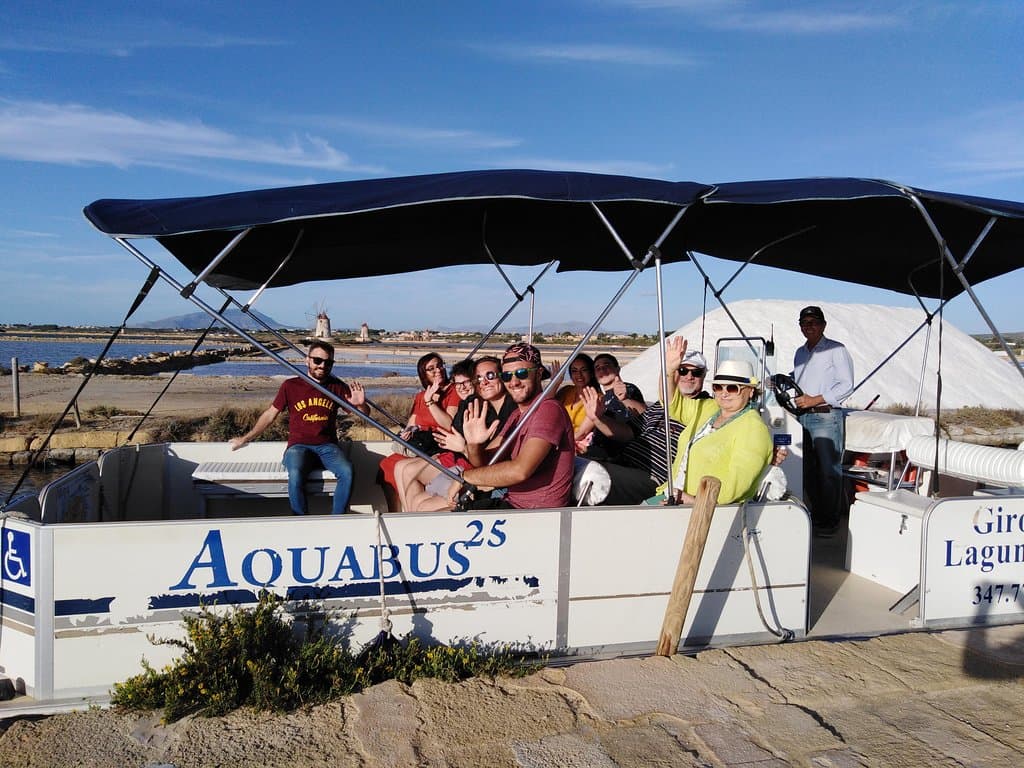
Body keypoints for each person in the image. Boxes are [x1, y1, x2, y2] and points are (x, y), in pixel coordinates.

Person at [229, 340, 368, 515]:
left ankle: (337, 520)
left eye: (328, 362)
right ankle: (300, 520)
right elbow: (270, 414)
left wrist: (361, 405)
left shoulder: (337, 387)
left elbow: (363, 413)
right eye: (317, 360)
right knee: (295, 473)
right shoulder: (290, 386)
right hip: (299, 447)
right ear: (307, 360)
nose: (322, 365)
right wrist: (245, 438)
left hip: (327, 447)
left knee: (347, 471)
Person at [448, 343, 574, 510]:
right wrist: (473, 445)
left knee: (433, 523)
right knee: (431, 517)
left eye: (521, 373)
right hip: (512, 504)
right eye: (507, 376)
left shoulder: (549, 410)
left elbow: (520, 470)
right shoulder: (517, 415)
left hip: (537, 514)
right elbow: (485, 464)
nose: (514, 382)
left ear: (539, 373)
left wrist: (466, 477)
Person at [395, 356, 516, 512]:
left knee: (420, 503)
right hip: (466, 464)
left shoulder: (510, 411)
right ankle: (406, 527)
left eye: (490, 376)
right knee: (409, 483)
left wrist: (463, 447)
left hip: (481, 476)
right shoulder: (477, 404)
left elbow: (487, 461)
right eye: (479, 378)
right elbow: (458, 435)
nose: (483, 382)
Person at [647, 359, 772, 506]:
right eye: (718, 387)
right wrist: (669, 369)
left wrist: (692, 500)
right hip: (671, 495)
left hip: (703, 510)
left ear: (750, 391)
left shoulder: (754, 428)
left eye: (732, 388)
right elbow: (672, 403)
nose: (724, 394)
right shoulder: (710, 408)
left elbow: (735, 486)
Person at [602, 350, 712, 504]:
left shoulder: (707, 409)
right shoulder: (660, 406)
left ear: (704, 376)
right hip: (624, 463)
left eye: (697, 372)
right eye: (683, 370)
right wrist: (596, 417)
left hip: (652, 477)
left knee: (593, 475)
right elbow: (628, 432)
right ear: (674, 374)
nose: (689, 376)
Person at [792, 305, 854, 536]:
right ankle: (816, 516)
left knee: (829, 471)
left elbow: (846, 385)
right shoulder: (800, 352)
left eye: (814, 322)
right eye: (805, 323)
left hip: (826, 416)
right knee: (807, 470)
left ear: (823, 325)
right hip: (803, 417)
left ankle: (830, 522)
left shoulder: (836, 350)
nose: (809, 327)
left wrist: (813, 400)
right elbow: (801, 380)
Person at [377, 353, 465, 511]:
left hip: (438, 445)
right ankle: (396, 511)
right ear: (423, 375)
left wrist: (431, 402)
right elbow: (412, 423)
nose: (437, 370)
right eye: (431, 369)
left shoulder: (453, 392)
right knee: (386, 464)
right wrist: (407, 432)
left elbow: (449, 424)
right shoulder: (420, 396)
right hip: (420, 444)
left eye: (439, 365)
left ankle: (410, 512)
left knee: (402, 467)